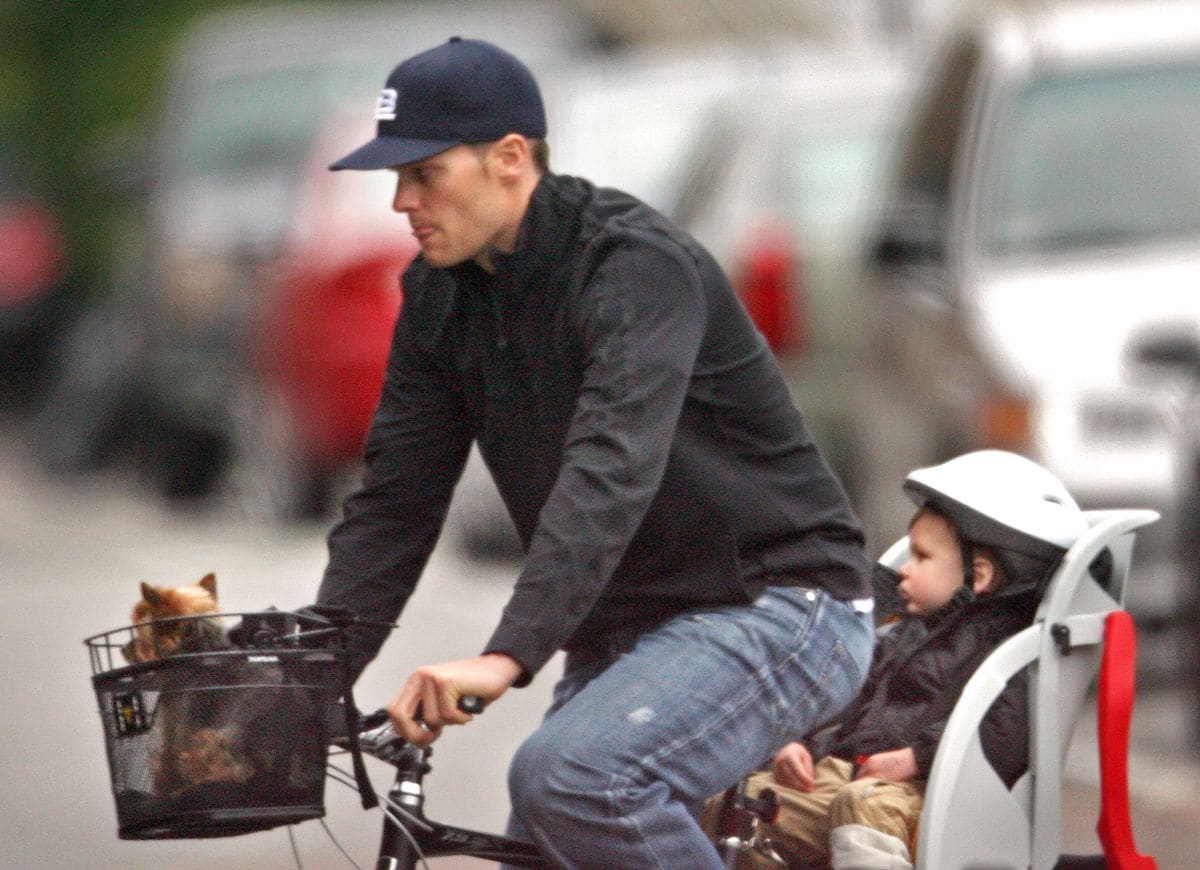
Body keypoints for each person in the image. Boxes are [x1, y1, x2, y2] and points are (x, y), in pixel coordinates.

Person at [311, 36, 875, 868]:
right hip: (630, 629)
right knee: (551, 835)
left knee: (576, 782)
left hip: (778, 604)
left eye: (423, 173)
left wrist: (507, 655)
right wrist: (313, 674)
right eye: (394, 179)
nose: (401, 201)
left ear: (509, 158)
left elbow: (611, 469)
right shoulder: (440, 294)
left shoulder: (632, 266)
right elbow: (396, 503)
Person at [701, 449, 1089, 869]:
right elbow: (838, 693)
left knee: (863, 803)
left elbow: (1006, 731)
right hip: (854, 776)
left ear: (979, 576)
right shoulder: (903, 636)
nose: (904, 568)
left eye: (922, 557)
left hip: (933, 793)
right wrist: (795, 739)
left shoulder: (1008, 650)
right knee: (744, 803)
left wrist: (915, 758)